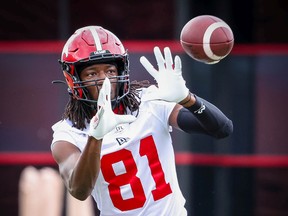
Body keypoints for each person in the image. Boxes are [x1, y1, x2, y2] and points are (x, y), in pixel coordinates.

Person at [51, 25, 233, 216]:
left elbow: (222, 128)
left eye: (110, 71)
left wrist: (188, 99)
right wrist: (95, 137)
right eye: (92, 73)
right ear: (74, 79)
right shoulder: (68, 133)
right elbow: (79, 190)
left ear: (122, 71)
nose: (104, 80)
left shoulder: (149, 102)